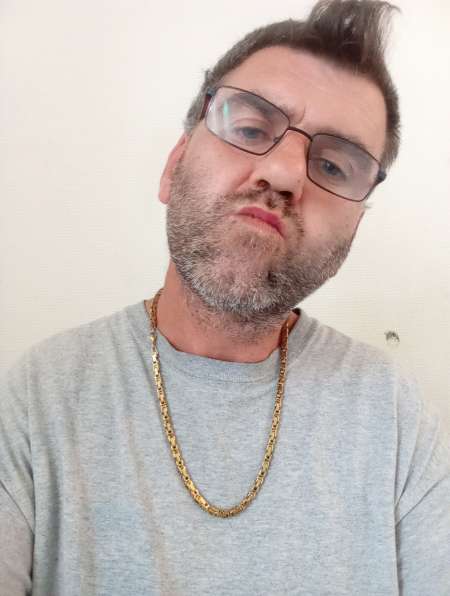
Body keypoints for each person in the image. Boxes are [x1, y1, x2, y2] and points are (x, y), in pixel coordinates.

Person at [1, 0, 449, 594]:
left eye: (334, 166)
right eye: (251, 129)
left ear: (355, 229)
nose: (284, 174)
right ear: (174, 166)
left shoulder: (394, 416)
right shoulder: (40, 397)